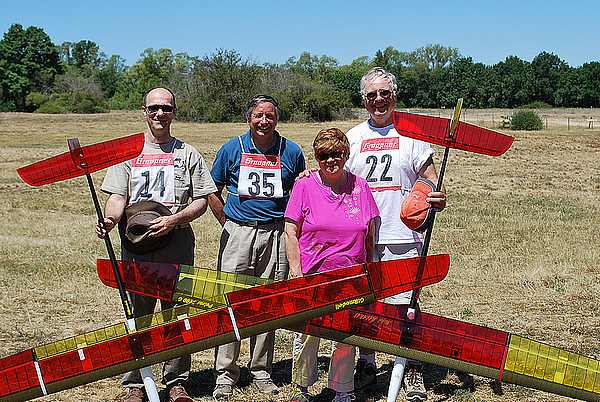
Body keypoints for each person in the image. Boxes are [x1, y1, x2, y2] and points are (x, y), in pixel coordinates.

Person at [97, 87, 217, 402]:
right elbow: (118, 197)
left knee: (175, 311)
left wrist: (174, 220)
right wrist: (111, 220)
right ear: (144, 111)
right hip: (135, 244)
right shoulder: (127, 154)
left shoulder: (187, 153)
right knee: (138, 311)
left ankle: (176, 381)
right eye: (154, 108)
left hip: (175, 241)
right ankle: (135, 382)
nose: (160, 114)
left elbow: (202, 200)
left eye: (166, 108)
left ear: (174, 111)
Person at [345, 67, 447, 402]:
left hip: (402, 232)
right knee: (364, 301)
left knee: (406, 306)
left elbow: (430, 177)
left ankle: (411, 369)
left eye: (384, 93)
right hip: (362, 235)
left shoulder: (412, 136)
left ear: (394, 96)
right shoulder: (353, 137)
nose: (378, 100)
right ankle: (367, 363)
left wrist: (433, 197)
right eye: (372, 95)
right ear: (364, 100)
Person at [208, 95, 306, 399]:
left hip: (276, 234)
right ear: (248, 118)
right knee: (232, 300)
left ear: (277, 119)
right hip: (238, 233)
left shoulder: (291, 151)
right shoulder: (231, 148)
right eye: (258, 116)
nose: (263, 122)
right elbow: (212, 188)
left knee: (269, 301)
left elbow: (300, 190)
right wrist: (227, 221)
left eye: (269, 116)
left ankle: (261, 369)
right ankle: (225, 372)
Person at [285, 128, 379, 402]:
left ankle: (342, 390)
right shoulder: (304, 185)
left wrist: (370, 270)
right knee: (308, 333)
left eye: (336, 153)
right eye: (323, 155)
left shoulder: (361, 187)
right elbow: (290, 231)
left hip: (352, 276)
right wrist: (296, 272)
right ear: (316, 157)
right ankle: (302, 389)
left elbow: (370, 233)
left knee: (345, 335)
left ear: (346, 154)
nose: (330, 160)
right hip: (313, 274)